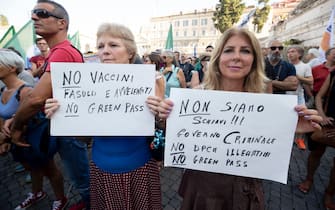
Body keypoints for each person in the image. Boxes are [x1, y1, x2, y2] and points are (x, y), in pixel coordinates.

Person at [156, 27, 322, 210]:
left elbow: (266, 144)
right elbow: (172, 130)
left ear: (254, 60)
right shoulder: (197, 95)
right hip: (202, 187)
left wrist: (291, 126)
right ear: (218, 57)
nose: (237, 56)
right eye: (228, 50)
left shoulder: (263, 99)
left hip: (244, 189)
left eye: (245, 50)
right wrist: (164, 116)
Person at [44, 22, 163, 210]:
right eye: (100, 46)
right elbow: (83, 139)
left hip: (139, 167)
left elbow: (161, 130)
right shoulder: (86, 86)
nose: (105, 51)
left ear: (130, 52)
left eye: (113, 45)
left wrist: (161, 114)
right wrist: (61, 116)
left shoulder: (150, 81)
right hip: (101, 169)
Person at [10, 1, 90, 210]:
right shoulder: (58, 52)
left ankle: (89, 201)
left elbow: (36, 99)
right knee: (77, 175)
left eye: (42, 13)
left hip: (70, 130)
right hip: (64, 125)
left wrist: (16, 126)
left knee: (81, 178)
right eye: (33, 13)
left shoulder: (62, 52)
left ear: (62, 23)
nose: (34, 17)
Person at [0, 49, 66, 210]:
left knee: (50, 169)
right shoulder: (2, 91)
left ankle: (60, 199)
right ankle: (37, 193)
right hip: (16, 143)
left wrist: (14, 128)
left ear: (11, 68)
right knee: (34, 168)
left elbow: (33, 115)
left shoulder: (26, 91)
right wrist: (4, 136)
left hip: (33, 141)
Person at [298, 47, 335, 209]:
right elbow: (320, 96)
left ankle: (329, 193)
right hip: (327, 120)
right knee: (316, 152)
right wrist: (322, 116)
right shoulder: (333, 74)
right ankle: (309, 178)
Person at [286, 45, 313, 150]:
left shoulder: (305, 66)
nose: (290, 54)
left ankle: (299, 140)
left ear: (300, 54)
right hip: (284, 96)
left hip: (298, 97)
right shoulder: (284, 65)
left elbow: (310, 81)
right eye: (288, 52)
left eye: (293, 51)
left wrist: (297, 76)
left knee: (300, 117)